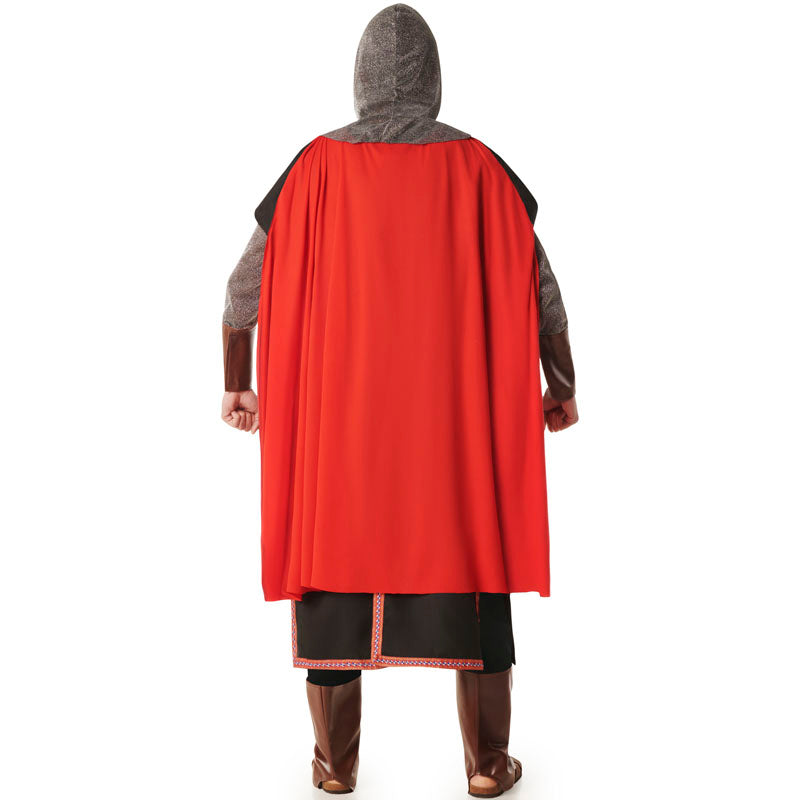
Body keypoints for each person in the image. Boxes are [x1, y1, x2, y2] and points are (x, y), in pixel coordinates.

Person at [220, 4, 578, 796]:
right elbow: (541, 291)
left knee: (333, 564)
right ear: (434, 82)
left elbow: (242, 291)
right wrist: (562, 384)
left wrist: (235, 379)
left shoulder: (311, 169)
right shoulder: (482, 169)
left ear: (359, 83)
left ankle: (333, 764)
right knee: (471, 551)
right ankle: (486, 764)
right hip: (448, 440)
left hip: (343, 441)